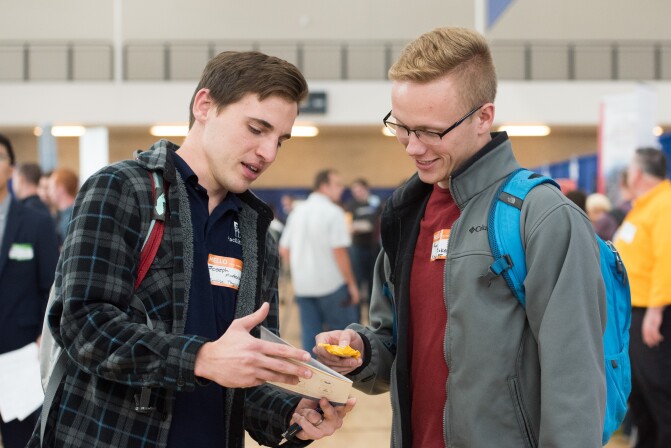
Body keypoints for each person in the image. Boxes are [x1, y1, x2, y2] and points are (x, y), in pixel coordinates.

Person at [29, 51, 355, 448]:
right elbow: (83, 325)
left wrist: (291, 412)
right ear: (205, 106)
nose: (268, 153)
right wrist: (200, 359)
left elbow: (245, 378)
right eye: (256, 129)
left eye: (279, 140)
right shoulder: (123, 190)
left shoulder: (256, 233)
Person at [314, 27, 607, 447]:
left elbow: (575, 380)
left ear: (483, 117)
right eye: (401, 126)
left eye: (431, 131)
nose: (413, 147)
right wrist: (360, 349)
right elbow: (392, 341)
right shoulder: (407, 214)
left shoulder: (542, 217)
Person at [0, 134, 59, 448]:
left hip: (20, 356)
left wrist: (43, 336)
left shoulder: (36, 223)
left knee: (22, 441)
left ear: (11, 168)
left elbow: (52, 284)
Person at [613, 147, 671, 448]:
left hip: (651, 313)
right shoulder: (642, 206)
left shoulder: (664, 203)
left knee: (660, 394)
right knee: (641, 398)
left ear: (636, 174)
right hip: (632, 312)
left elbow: (667, 258)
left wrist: (656, 311)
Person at [279, 169, 360, 351]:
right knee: (343, 339)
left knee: (312, 342)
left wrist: (301, 269)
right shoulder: (334, 212)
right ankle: (344, 379)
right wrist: (352, 284)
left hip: (303, 287)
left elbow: (284, 249)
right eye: (337, 184)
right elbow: (339, 251)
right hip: (332, 286)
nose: (341, 189)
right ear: (324, 187)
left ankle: (314, 379)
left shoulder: (296, 212)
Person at [344, 178, 381, 319]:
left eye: (359, 190)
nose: (357, 193)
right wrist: (361, 226)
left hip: (373, 248)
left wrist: (359, 226)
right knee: (358, 284)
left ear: (366, 188)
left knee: (374, 285)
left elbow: (372, 225)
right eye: (354, 191)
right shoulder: (351, 205)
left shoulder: (375, 203)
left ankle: (374, 318)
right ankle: (356, 319)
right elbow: (349, 226)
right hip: (357, 249)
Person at [47, 167, 78, 245]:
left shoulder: (71, 218)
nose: (48, 192)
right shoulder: (61, 215)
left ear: (60, 188)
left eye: (50, 187)